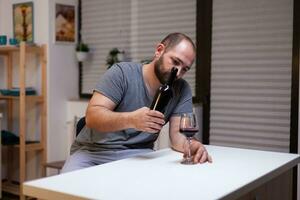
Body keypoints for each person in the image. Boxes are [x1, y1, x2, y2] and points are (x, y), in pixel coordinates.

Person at [61, 32, 212, 173]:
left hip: (139, 154)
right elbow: (92, 117)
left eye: (184, 69)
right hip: (92, 152)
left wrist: (192, 145)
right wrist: (132, 119)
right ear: (159, 51)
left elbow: (178, 135)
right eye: (175, 62)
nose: (178, 72)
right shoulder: (121, 73)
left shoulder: (181, 89)